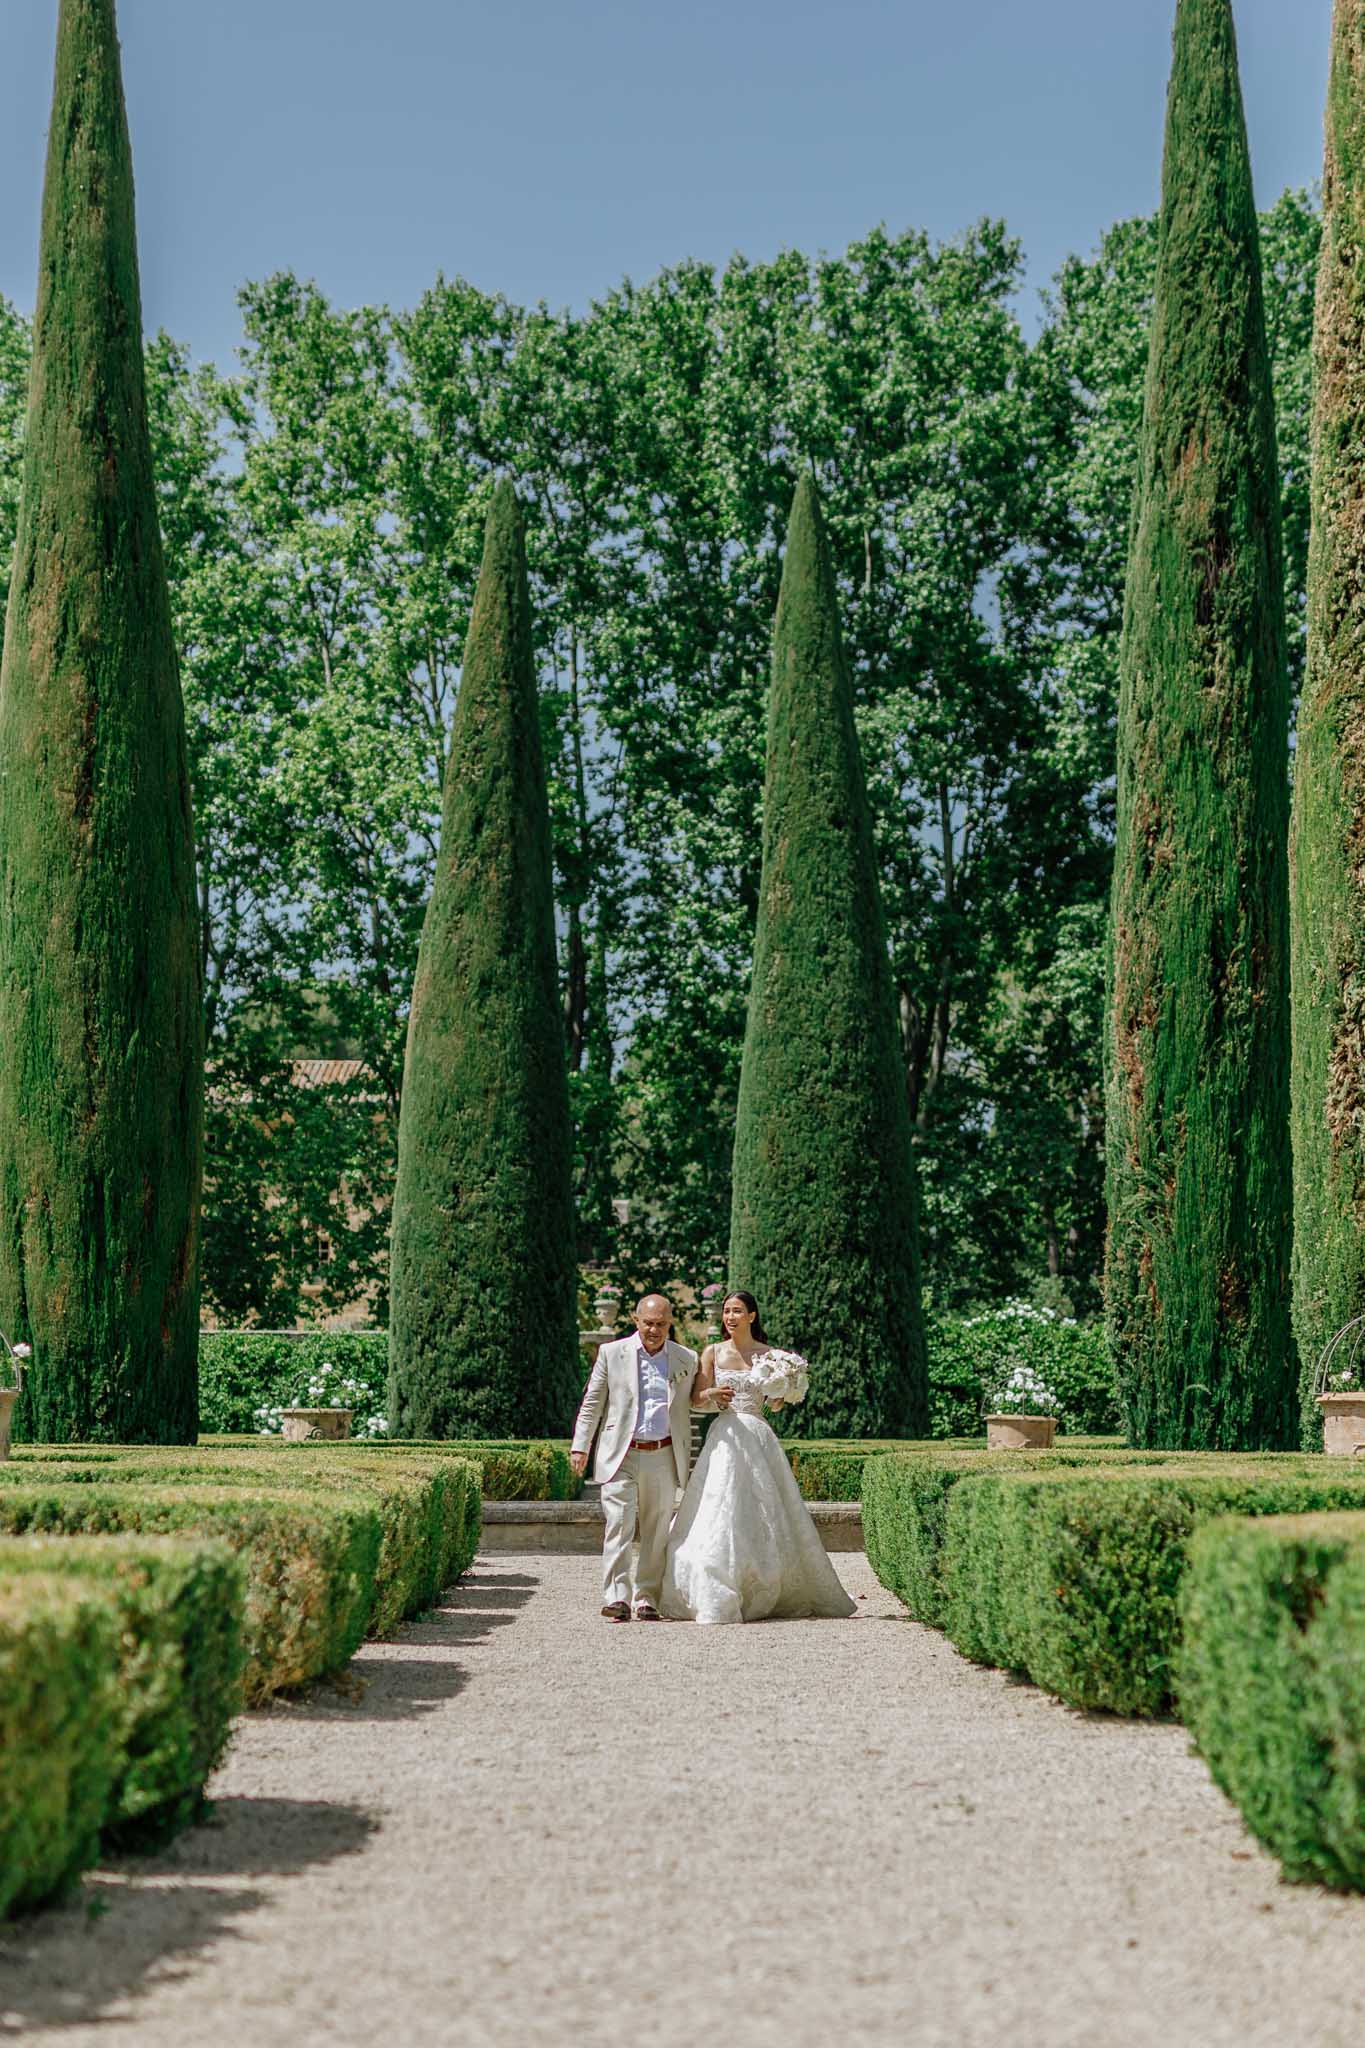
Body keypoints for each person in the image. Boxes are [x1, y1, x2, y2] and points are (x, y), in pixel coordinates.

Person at [660, 1289, 856, 1625]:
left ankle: (764, 1581)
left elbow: (776, 1402)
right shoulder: (712, 1352)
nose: (730, 1317)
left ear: (752, 1316)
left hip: (758, 1434)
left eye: (737, 1311)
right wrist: (714, 1395)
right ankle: (716, 1584)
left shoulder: (770, 1356)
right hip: (725, 1435)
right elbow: (695, 1399)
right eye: (726, 1311)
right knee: (720, 1505)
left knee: (763, 1507)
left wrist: (783, 1392)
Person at [569, 1293, 701, 1622]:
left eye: (660, 1324)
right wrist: (580, 1445)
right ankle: (616, 1597)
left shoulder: (686, 1359)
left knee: (657, 1531)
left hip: (664, 1453)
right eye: (648, 1324)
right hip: (621, 1453)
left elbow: (696, 1401)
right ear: (635, 1320)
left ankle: (647, 1598)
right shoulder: (612, 1353)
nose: (654, 1330)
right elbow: (592, 1403)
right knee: (619, 1525)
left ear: (670, 1323)